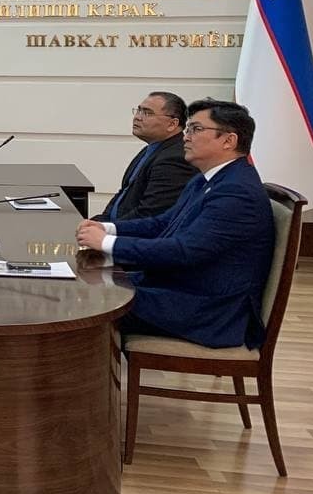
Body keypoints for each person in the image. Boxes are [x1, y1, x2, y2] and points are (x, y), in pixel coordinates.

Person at [76, 99, 274, 349]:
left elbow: (184, 250)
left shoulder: (237, 192)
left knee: (90, 303)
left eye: (196, 129)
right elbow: (163, 224)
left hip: (205, 311)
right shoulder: (207, 179)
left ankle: (81, 372)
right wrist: (108, 229)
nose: (185, 136)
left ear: (228, 140)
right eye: (188, 128)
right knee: (87, 285)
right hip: (178, 288)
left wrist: (106, 243)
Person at [92, 91, 197, 221]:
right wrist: (101, 220)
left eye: (147, 113)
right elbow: (124, 193)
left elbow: (150, 213)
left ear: (172, 124)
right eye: (139, 111)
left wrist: (108, 228)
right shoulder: (151, 149)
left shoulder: (175, 159)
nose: (138, 117)